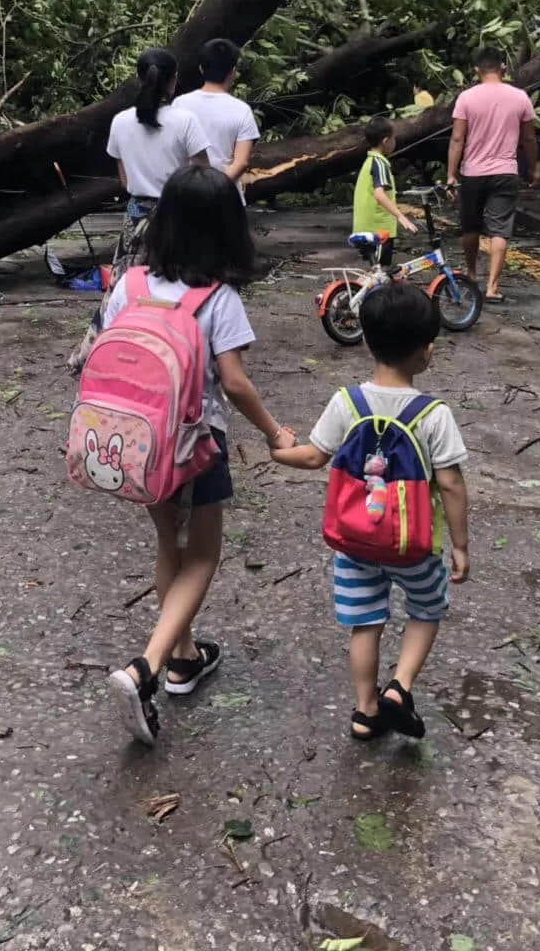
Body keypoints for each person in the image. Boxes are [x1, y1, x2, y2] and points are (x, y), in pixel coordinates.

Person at [104, 165, 296, 746]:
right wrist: (272, 432)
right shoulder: (218, 297)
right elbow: (234, 384)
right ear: (225, 230)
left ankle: (186, 657)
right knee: (204, 557)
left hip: (136, 443)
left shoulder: (130, 284)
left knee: (170, 545)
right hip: (195, 445)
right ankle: (148, 666)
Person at [271, 281, 469, 741]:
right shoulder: (433, 414)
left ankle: (364, 711)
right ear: (427, 351)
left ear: (365, 341)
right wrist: (459, 545)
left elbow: (313, 456)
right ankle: (398, 689)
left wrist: (277, 451)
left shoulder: (347, 402)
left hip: (356, 541)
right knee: (425, 610)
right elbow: (452, 483)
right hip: (414, 544)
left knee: (365, 621)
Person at [69, 48, 210, 373]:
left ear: (139, 79)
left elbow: (123, 178)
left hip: (136, 215)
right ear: (173, 83)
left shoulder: (120, 123)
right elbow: (202, 173)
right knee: (186, 285)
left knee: (121, 288)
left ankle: (91, 353)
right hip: (179, 213)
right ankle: (184, 357)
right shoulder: (186, 121)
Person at [446, 46, 538, 304]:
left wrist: (451, 174)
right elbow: (529, 138)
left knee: (470, 226)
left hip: (472, 172)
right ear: (504, 68)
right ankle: (492, 288)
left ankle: (472, 273)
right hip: (505, 172)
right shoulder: (520, 97)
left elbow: (457, 138)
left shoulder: (466, 97)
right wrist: (532, 169)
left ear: (476, 70)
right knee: (499, 230)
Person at [176, 38, 260, 202]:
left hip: (186, 193)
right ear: (233, 71)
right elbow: (241, 163)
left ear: (201, 69)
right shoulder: (242, 110)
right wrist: (214, 188)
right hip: (227, 195)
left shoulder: (180, 104)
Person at [353, 117, 419, 267]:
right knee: (381, 272)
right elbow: (379, 194)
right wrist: (400, 216)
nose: (395, 141)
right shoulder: (380, 163)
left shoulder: (370, 160)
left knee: (375, 273)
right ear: (385, 141)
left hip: (366, 227)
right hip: (379, 231)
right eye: (393, 137)